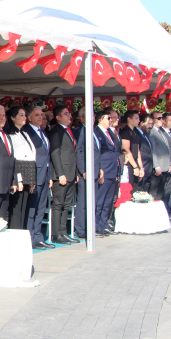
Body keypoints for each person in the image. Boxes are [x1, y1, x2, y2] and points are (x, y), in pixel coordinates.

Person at [48, 105, 80, 245]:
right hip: (61, 174)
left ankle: (63, 232)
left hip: (70, 172)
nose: (69, 116)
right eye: (66, 114)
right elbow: (55, 153)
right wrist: (60, 173)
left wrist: (75, 172)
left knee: (66, 204)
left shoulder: (68, 131)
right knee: (58, 204)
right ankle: (56, 233)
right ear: (58, 117)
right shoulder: (56, 131)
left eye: (69, 113)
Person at [23, 106, 54, 249]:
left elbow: (46, 155)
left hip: (44, 174)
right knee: (32, 208)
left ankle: (38, 236)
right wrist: (30, 178)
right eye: (37, 115)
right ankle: (30, 237)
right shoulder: (26, 132)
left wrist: (50, 176)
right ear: (29, 118)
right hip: (34, 174)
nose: (41, 117)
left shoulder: (42, 132)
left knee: (41, 207)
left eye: (41, 115)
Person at [4, 106, 36, 231]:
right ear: (13, 117)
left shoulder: (24, 133)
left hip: (28, 172)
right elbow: (13, 157)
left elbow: (31, 155)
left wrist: (32, 179)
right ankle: (15, 232)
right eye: (21, 115)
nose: (24, 118)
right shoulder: (10, 134)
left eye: (24, 115)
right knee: (17, 208)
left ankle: (22, 231)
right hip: (19, 173)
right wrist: (18, 178)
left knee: (24, 207)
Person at [73, 108, 102, 239]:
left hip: (94, 169)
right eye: (90, 116)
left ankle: (90, 227)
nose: (93, 118)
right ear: (82, 118)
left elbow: (97, 151)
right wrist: (83, 170)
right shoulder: (80, 130)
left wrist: (99, 168)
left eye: (94, 116)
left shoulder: (92, 130)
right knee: (83, 201)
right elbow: (79, 151)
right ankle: (80, 229)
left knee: (92, 201)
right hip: (85, 171)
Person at [94, 111, 118, 237]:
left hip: (112, 170)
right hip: (104, 170)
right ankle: (96, 225)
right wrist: (100, 170)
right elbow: (97, 153)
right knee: (100, 200)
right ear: (100, 119)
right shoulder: (96, 132)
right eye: (108, 118)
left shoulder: (110, 133)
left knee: (108, 201)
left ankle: (104, 224)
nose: (110, 120)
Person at [148, 112, 171, 208]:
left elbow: (166, 149)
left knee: (161, 192)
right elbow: (153, 151)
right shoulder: (152, 132)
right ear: (153, 119)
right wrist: (156, 166)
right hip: (158, 167)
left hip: (165, 166)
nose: (161, 120)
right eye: (159, 118)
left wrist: (169, 163)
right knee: (154, 192)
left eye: (162, 118)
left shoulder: (161, 131)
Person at [120, 110, 144, 188]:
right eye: (136, 118)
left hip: (135, 162)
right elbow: (126, 150)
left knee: (136, 187)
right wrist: (135, 167)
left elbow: (137, 150)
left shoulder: (135, 132)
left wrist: (141, 167)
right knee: (130, 187)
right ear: (129, 119)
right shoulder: (125, 132)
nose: (138, 121)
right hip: (129, 164)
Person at [136, 113, 153, 193]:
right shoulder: (136, 134)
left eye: (151, 124)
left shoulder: (145, 134)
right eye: (149, 123)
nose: (150, 126)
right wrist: (140, 167)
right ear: (142, 123)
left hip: (148, 169)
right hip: (142, 168)